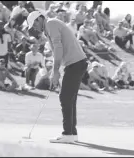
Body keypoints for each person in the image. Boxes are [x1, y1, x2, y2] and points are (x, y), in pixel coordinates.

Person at [27, 11, 88, 143]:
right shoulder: (49, 27)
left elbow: (58, 47)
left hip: (75, 63)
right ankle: (72, 133)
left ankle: (67, 134)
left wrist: (55, 71)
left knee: (65, 97)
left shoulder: (50, 24)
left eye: (34, 25)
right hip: (75, 63)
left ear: (39, 19)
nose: (34, 28)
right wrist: (58, 70)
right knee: (70, 98)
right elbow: (57, 51)